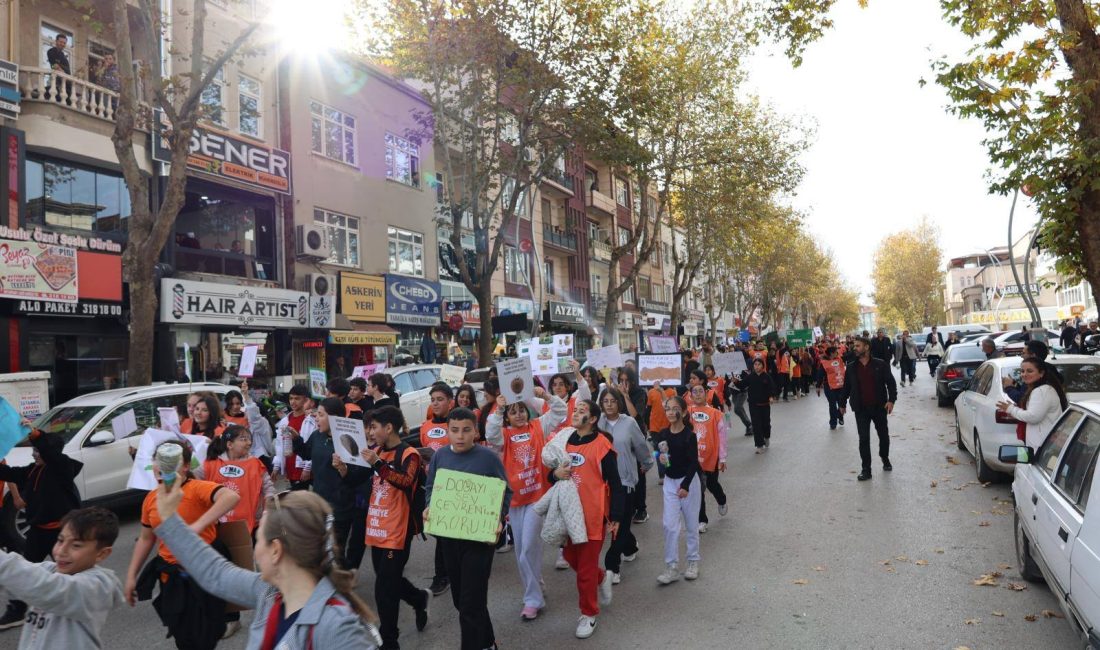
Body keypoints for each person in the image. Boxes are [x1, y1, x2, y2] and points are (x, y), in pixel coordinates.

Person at [151, 481, 381, 648]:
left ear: (276, 550)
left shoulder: (336, 627)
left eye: (257, 539)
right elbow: (215, 573)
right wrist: (170, 519)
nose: (254, 550)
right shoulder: (270, 593)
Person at [125, 441, 241, 648]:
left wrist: (197, 526)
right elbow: (146, 538)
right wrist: (131, 576)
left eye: (170, 461)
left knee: (206, 634)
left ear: (185, 466)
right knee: (182, 634)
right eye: (158, 460)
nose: (163, 466)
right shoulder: (151, 499)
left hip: (205, 571)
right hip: (172, 576)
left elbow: (231, 496)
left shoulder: (196, 488)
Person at [338, 406, 428, 650]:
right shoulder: (375, 451)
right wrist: (343, 470)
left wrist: (378, 463)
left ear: (389, 428)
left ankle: (389, 640)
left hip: (398, 531)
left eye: (374, 427)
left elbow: (405, 481)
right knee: (389, 581)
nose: (370, 432)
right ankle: (419, 598)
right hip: (376, 528)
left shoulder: (409, 454)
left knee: (384, 589)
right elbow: (357, 479)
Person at [424, 408, 510, 650]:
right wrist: (429, 506)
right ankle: (488, 642)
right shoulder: (440, 456)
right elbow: (430, 488)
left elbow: (505, 490)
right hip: (450, 538)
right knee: (463, 601)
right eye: (454, 431)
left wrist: (499, 517)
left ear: (476, 431)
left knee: (470, 605)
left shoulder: (488, 458)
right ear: (448, 432)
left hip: (481, 539)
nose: (460, 436)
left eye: (466, 430)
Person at [486, 387, 566, 620]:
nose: (519, 414)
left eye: (522, 410)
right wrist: (499, 408)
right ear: (507, 416)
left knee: (527, 548)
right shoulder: (504, 435)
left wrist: (545, 396)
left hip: (537, 497)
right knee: (522, 548)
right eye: (513, 412)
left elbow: (560, 411)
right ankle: (537, 581)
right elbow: (490, 433)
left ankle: (532, 600)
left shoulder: (539, 426)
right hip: (515, 500)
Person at [549, 399, 624, 639]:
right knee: (573, 558)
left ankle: (589, 613)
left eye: (582, 411)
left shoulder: (602, 445)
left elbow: (616, 483)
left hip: (593, 515)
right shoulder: (564, 439)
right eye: (576, 409)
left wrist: (616, 516)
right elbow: (552, 473)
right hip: (568, 515)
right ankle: (601, 578)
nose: (576, 412)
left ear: (592, 420)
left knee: (584, 572)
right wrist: (554, 474)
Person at [0, 507, 122, 649]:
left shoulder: (99, 586)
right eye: (60, 540)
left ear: (102, 554)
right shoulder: (49, 570)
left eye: (76, 545)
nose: (62, 551)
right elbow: (17, 578)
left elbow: (45, 587)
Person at [0, 429, 84, 630]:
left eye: (37, 451)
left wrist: (36, 434)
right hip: (38, 532)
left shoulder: (62, 468)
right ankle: (17, 610)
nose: (33, 454)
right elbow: (10, 473)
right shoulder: (33, 470)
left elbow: (51, 454)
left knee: (71, 571)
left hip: (63, 533)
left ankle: (79, 605)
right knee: (25, 571)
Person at [198, 425, 275, 638]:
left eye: (249, 438)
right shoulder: (209, 465)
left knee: (245, 573)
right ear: (229, 444)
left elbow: (269, 490)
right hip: (217, 527)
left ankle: (261, 615)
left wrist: (267, 512)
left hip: (248, 527)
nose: (248, 443)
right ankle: (229, 618)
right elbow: (192, 482)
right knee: (221, 573)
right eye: (243, 439)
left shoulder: (256, 464)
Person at [290, 398, 361, 572]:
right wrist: (296, 439)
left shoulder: (348, 440)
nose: (316, 419)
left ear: (335, 418)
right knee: (319, 550)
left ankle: (341, 588)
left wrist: (343, 469)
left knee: (336, 552)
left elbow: (357, 476)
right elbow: (307, 453)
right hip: (319, 504)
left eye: (321, 415)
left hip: (341, 507)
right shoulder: (317, 435)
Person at [598, 387, 653, 585]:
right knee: (616, 525)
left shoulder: (629, 423)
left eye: (613, 400)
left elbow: (640, 446)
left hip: (626, 482)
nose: (609, 404)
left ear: (619, 403)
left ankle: (612, 566)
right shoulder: (597, 423)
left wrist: (646, 464)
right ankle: (629, 547)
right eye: (606, 401)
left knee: (618, 525)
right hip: (604, 484)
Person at [655, 395, 701, 584]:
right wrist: (661, 458)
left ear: (683, 412)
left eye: (675, 409)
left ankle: (692, 561)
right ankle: (672, 567)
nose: (670, 412)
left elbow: (693, 463)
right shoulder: (663, 434)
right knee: (669, 525)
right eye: (667, 409)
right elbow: (662, 456)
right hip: (669, 482)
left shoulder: (689, 436)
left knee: (691, 524)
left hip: (688, 483)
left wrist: (685, 486)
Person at [840, 337, 898, 482]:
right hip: (861, 409)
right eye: (854, 346)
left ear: (866, 347)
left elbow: (891, 383)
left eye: (858, 346)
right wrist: (842, 404)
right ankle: (866, 469)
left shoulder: (880, 364)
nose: (855, 348)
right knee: (864, 439)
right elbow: (846, 387)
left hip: (879, 407)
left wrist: (891, 401)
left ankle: (884, 457)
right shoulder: (851, 367)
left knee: (883, 436)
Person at [420, 383, 454, 596]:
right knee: (440, 532)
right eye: (433, 399)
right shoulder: (425, 426)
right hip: (432, 485)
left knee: (447, 533)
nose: (436, 403)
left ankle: (443, 575)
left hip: (453, 483)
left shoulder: (457, 424)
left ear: (450, 402)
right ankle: (445, 573)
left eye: (440, 399)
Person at [997, 358, 1070, 450]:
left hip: (1042, 447)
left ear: (1041, 373)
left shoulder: (1041, 391)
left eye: (1030, 371)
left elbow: (1033, 417)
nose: (1024, 374)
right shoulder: (1040, 389)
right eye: (1022, 371)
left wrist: (1011, 409)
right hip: (1042, 445)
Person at [687, 384, 727, 534]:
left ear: (706, 393)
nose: (697, 394)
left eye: (700, 391)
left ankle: (721, 500)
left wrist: (722, 458)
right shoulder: (687, 413)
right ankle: (701, 520)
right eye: (694, 392)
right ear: (690, 395)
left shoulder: (716, 414)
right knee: (698, 490)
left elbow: (722, 438)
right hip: (693, 459)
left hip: (711, 457)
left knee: (711, 484)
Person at [614, 367, 650, 524]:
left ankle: (641, 508)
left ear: (633, 381)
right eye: (621, 380)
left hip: (636, 436)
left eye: (626, 380)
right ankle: (629, 506)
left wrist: (625, 396)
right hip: (620, 438)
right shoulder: (616, 393)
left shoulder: (640, 393)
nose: (623, 383)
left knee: (638, 473)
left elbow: (635, 415)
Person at [274, 384, 317, 491]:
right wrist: (277, 466)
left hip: (304, 467)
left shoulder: (311, 421)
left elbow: (312, 446)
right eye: (291, 398)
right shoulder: (285, 421)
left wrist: (307, 467)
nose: (293, 402)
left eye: (297, 398)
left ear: (306, 400)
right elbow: (279, 445)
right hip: (290, 465)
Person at [735, 358, 775, 453]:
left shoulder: (767, 377)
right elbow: (742, 385)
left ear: (763, 365)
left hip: (765, 405)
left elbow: (771, 388)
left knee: (766, 424)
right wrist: (736, 382)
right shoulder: (750, 377)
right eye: (755, 364)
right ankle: (759, 445)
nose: (757, 366)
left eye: (759, 364)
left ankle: (767, 437)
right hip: (753, 405)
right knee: (756, 425)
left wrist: (771, 397)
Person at [816, 346, 847, 430]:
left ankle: (840, 416)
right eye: (836, 352)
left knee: (842, 403)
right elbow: (820, 375)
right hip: (829, 386)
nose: (837, 353)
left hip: (840, 385)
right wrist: (818, 386)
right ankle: (833, 422)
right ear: (831, 353)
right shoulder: (824, 363)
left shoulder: (839, 360)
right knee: (832, 404)